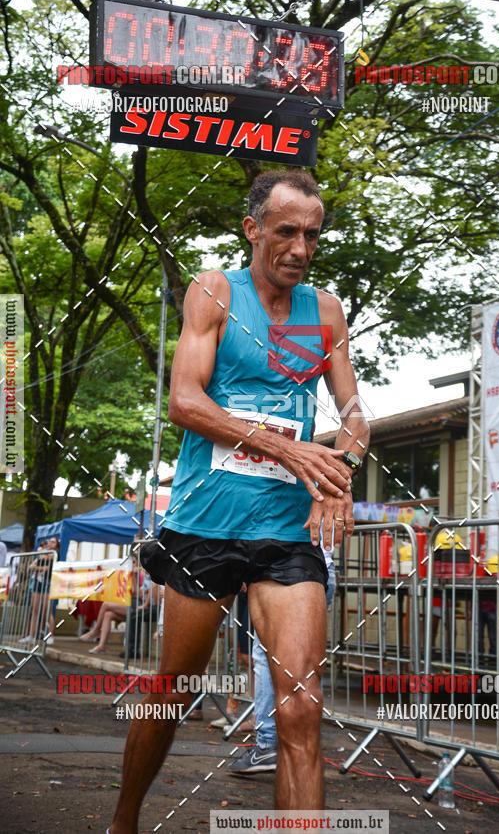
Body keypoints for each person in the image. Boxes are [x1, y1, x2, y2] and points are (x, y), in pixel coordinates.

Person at [108, 169, 369, 834]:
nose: (301, 248)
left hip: (285, 533)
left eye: (312, 235)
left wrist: (340, 467)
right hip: (206, 525)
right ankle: (124, 821)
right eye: (286, 231)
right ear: (253, 229)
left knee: (301, 705)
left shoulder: (326, 311)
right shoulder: (214, 292)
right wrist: (290, 451)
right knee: (175, 689)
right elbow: (185, 401)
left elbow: (354, 414)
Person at [228, 543, 336, 773]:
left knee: (267, 655)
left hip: (284, 568)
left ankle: (268, 744)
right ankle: (298, 747)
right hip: (318, 571)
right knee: (301, 663)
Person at [81, 554, 143, 654]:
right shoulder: (124, 573)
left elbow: (136, 593)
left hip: (137, 605)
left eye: (133, 562)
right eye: (128, 562)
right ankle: (101, 646)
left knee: (106, 604)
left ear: (137, 563)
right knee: (108, 614)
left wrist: (134, 576)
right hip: (127, 604)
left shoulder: (139, 574)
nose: (131, 564)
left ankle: (95, 630)